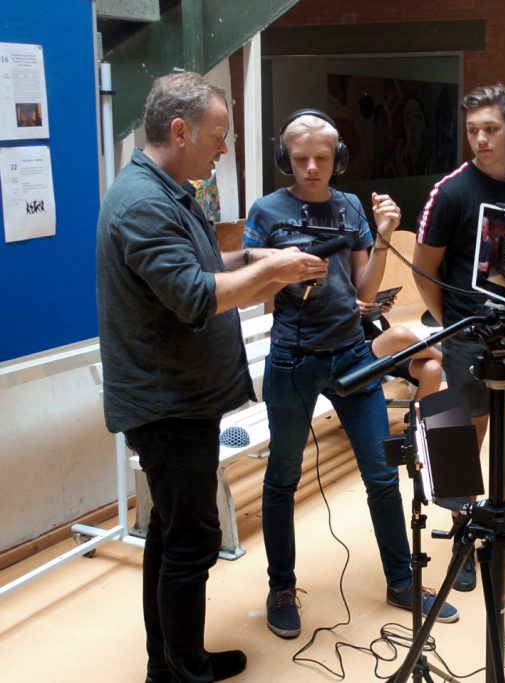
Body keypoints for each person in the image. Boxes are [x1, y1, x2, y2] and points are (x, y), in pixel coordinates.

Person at [96, 71, 329, 683]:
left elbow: (203, 266)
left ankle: (166, 664)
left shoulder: (168, 189)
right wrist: (274, 270)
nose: (224, 147)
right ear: (180, 130)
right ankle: (183, 670)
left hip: (181, 397)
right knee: (193, 541)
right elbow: (195, 295)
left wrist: (254, 259)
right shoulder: (143, 203)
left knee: (171, 536)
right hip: (166, 403)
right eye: (219, 135)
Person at [243, 110, 458, 639]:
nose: (312, 168)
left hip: (351, 353)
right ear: (284, 160)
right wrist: (280, 267)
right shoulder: (267, 211)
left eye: (322, 158)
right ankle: (282, 586)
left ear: (338, 158)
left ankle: (401, 579)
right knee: (282, 479)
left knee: (381, 476)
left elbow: (365, 293)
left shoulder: (348, 208)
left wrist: (384, 232)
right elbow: (248, 284)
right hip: (293, 361)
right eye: (300, 159)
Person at [413, 83, 505, 591]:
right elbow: (424, 270)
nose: (480, 139)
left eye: (491, 129)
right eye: (472, 130)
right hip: (468, 336)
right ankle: (463, 533)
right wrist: (455, 324)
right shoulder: (452, 190)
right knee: (462, 435)